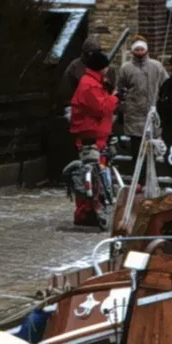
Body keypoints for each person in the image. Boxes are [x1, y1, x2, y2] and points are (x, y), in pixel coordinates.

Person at [68, 50, 119, 227]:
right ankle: (86, 212)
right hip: (91, 135)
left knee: (97, 173)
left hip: (98, 134)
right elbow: (101, 108)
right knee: (91, 174)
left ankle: (93, 209)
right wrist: (115, 98)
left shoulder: (94, 82)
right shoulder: (89, 85)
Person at [111, 37, 166, 145]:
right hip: (134, 112)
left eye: (142, 49)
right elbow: (120, 87)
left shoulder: (156, 66)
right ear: (133, 50)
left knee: (152, 145)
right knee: (136, 144)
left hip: (152, 110)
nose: (140, 52)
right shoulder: (126, 68)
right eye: (137, 49)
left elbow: (165, 84)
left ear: (146, 50)